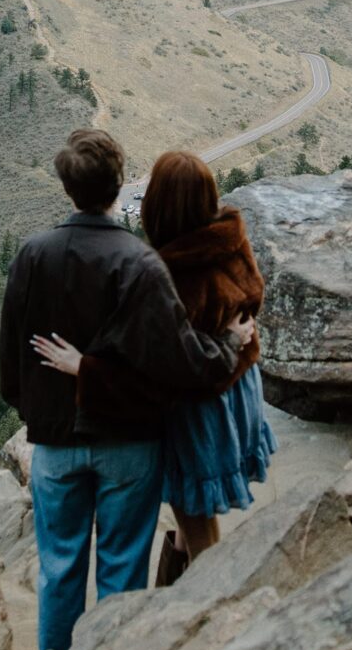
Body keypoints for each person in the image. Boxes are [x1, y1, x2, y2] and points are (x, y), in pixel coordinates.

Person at [0, 128, 255, 650]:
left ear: (68, 187)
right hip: (129, 445)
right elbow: (182, 360)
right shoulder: (140, 264)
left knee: (58, 574)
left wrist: (36, 411)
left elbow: (11, 361)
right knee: (121, 574)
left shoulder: (32, 255)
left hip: (54, 442)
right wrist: (229, 345)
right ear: (119, 186)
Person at [34, 150, 272, 576]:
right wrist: (231, 339)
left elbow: (154, 369)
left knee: (194, 513)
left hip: (199, 411)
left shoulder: (163, 275)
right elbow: (252, 295)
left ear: (157, 205)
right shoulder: (229, 236)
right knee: (192, 510)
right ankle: (175, 578)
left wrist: (84, 369)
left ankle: (199, 605)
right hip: (240, 389)